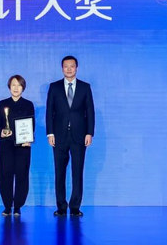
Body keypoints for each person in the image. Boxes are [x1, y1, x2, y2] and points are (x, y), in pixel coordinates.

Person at [46, 56, 95, 217]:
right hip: (59, 136)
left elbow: (90, 111)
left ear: (76, 68)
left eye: (72, 66)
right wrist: (50, 133)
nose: (69, 69)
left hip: (79, 136)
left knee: (77, 172)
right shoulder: (54, 87)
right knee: (59, 172)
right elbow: (49, 111)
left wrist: (89, 133)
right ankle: (61, 206)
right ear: (62, 68)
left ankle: (75, 207)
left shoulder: (85, 87)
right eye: (66, 66)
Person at [0, 75, 35, 216]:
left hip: (23, 145)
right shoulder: (2, 103)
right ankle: (7, 205)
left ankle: (17, 206)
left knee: (22, 174)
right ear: (9, 87)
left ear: (23, 87)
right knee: (5, 174)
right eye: (13, 85)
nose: (16, 88)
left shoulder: (28, 104)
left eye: (19, 85)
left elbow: (31, 124)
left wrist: (28, 138)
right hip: (6, 144)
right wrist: (1, 132)